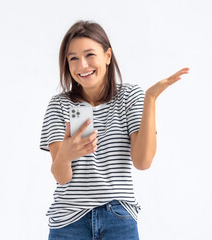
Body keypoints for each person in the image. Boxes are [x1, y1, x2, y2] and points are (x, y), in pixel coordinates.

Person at [40, 20, 189, 240]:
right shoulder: (59, 105)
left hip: (118, 217)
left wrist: (150, 99)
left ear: (107, 56)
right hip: (68, 221)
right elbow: (61, 177)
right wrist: (67, 155)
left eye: (90, 55)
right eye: (73, 58)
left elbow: (142, 162)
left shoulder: (131, 97)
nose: (82, 65)